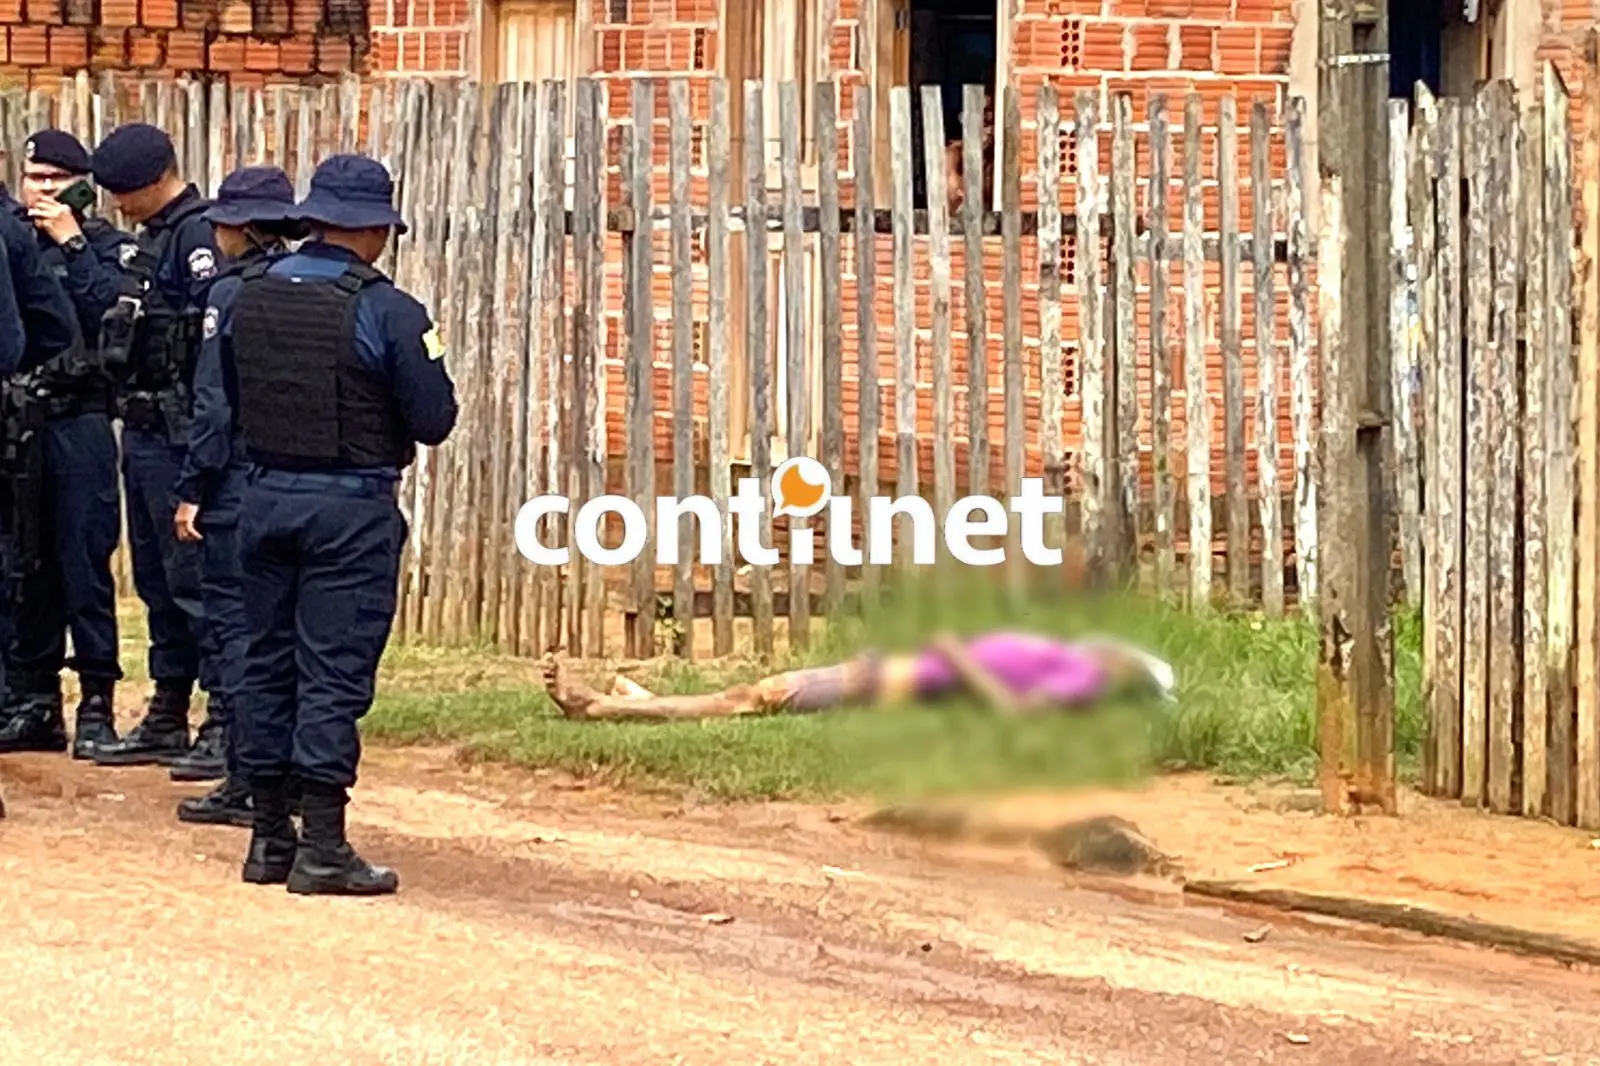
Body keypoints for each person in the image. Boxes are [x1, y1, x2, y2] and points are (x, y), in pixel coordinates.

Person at [230, 155, 456, 896]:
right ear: (376, 231)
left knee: (264, 664)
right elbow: (433, 419)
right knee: (331, 671)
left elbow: (226, 395)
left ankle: (269, 838)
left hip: (261, 498)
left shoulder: (246, 294)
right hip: (349, 509)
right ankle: (323, 846)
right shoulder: (390, 311)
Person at [169, 165, 308, 827]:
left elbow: (214, 403)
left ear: (245, 228)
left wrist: (193, 486)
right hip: (294, 481)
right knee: (287, 635)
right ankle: (291, 775)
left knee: (237, 634)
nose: (216, 233)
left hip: (233, 484)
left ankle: (248, 778)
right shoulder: (307, 284)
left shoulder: (228, 295)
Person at [87, 123, 222, 770]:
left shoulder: (199, 236)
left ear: (154, 180)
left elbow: (210, 344)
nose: (117, 205)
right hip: (143, 431)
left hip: (181, 434)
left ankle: (224, 719)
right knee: (157, 583)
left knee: (197, 583)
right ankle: (168, 710)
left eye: (124, 192)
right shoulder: (153, 237)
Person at [0, 130, 130, 759]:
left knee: (84, 562)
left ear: (84, 186)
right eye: (35, 178)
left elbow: (113, 317)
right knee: (24, 563)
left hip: (80, 420)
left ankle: (97, 703)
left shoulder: (106, 248)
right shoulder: (14, 242)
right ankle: (34, 700)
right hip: (25, 423)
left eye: (58, 179)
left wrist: (72, 243)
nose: (44, 190)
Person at [542, 631, 1177, 722]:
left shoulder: (1080, 685)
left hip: (906, 682)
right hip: (896, 666)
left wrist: (955, 657)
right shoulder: (1071, 660)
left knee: (757, 697)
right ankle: (641, 701)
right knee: (758, 690)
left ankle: (601, 707)